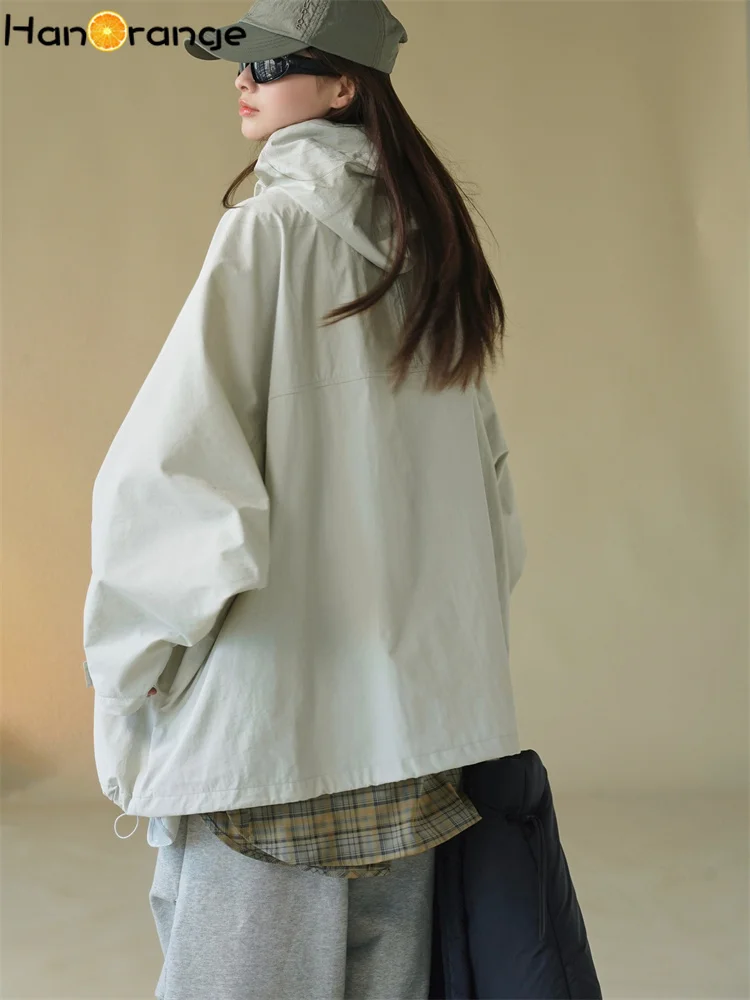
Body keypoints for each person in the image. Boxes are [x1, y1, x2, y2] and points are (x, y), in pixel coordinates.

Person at [81, 0, 527, 997]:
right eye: (239, 60)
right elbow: (489, 507)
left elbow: (175, 476)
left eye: (272, 61)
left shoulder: (268, 233)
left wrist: (132, 664)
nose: (243, 78)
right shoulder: (431, 255)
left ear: (342, 85)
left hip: (273, 744)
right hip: (408, 753)